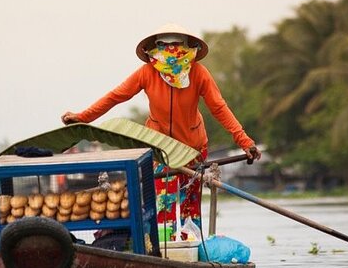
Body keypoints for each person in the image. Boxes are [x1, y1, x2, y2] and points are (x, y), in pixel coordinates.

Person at [62, 23, 261, 227]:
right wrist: (83, 117)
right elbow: (115, 97)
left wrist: (245, 142)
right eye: (163, 47)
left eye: (175, 46)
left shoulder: (199, 73)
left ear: (186, 48)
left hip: (193, 148)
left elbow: (219, 108)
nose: (170, 52)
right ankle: (166, 249)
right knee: (163, 204)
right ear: (154, 50)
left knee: (189, 207)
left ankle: (190, 247)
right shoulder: (147, 73)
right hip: (160, 148)